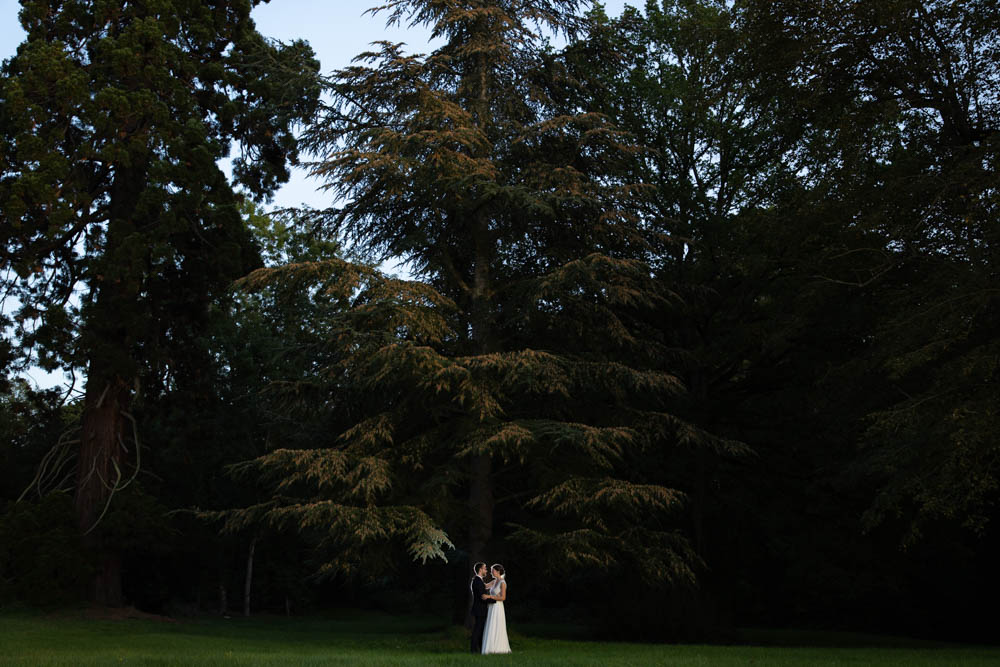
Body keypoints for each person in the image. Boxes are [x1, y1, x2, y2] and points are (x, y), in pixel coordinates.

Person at [480, 564, 511, 654]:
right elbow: (485, 586)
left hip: (498, 607)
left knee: (496, 625)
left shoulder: (502, 583)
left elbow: (503, 598)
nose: (491, 572)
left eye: (492, 570)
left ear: (497, 571)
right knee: (491, 625)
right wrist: (479, 576)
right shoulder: (494, 581)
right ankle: (490, 648)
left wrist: (490, 596)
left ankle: (499, 648)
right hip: (491, 607)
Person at [469, 562, 495, 653]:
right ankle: (473, 650)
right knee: (478, 630)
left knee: (480, 629)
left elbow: (485, 587)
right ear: (480, 569)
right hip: (480, 609)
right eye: (485, 568)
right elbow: (482, 596)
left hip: (479, 609)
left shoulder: (478, 580)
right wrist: (495, 600)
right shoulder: (477, 581)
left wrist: (493, 582)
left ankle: (479, 649)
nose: (486, 570)